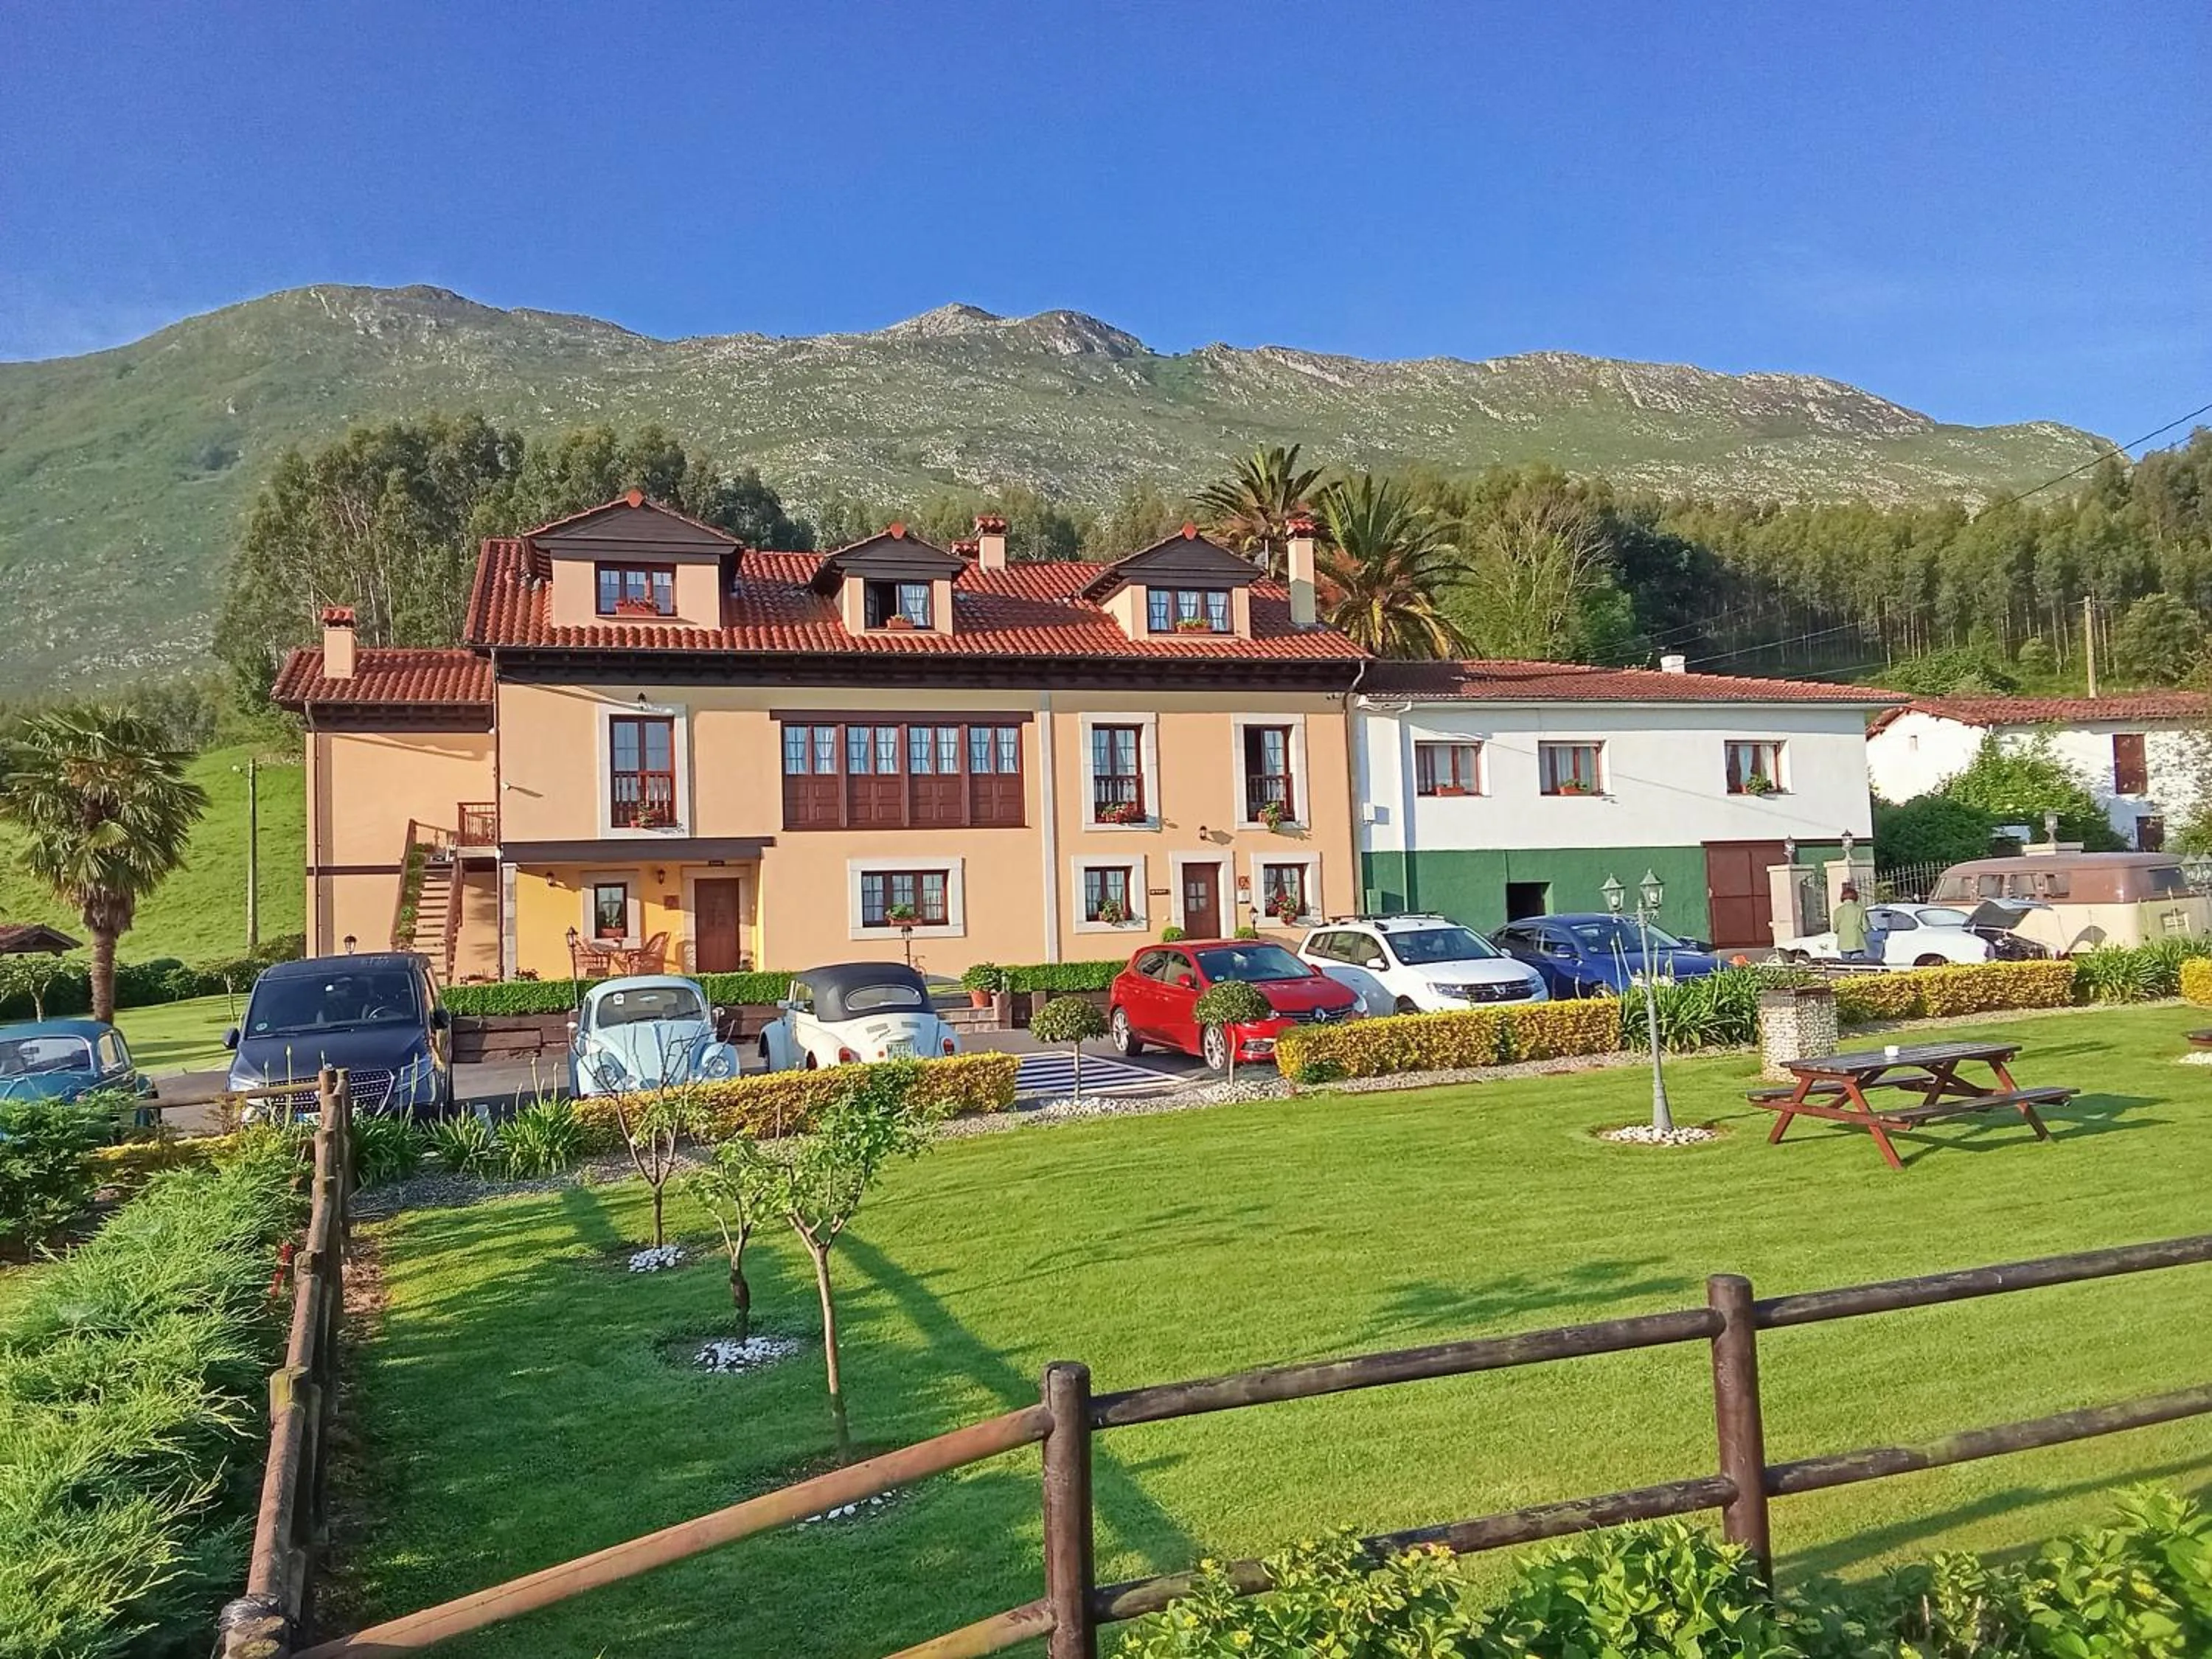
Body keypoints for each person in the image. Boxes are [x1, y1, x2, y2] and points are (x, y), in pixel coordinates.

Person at [1833, 883, 1871, 963]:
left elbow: (1835, 929)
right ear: (1855, 897)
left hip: (1843, 943)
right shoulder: (1860, 910)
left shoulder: (1837, 911)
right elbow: (1866, 928)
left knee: (1846, 965)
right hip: (1857, 942)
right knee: (1858, 965)